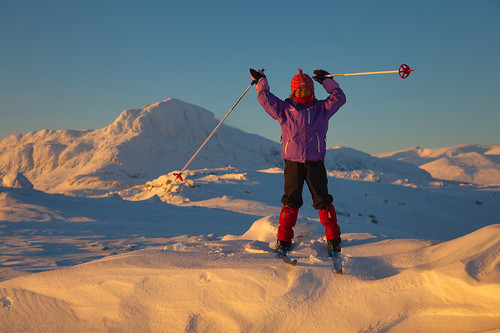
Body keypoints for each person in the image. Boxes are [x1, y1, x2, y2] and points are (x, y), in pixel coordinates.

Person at [249, 67, 346, 266]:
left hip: (315, 163)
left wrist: (326, 81)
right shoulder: (285, 109)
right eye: (300, 91)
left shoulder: (322, 109)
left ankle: (334, 241)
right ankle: (283, 241)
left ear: (313, 91)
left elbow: (339, 97)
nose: (305, 94)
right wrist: (261, 81)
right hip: (293, 163)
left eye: (308, 90)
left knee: (323, 201)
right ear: (294, 91)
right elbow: (264, 98)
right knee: (290, 202)